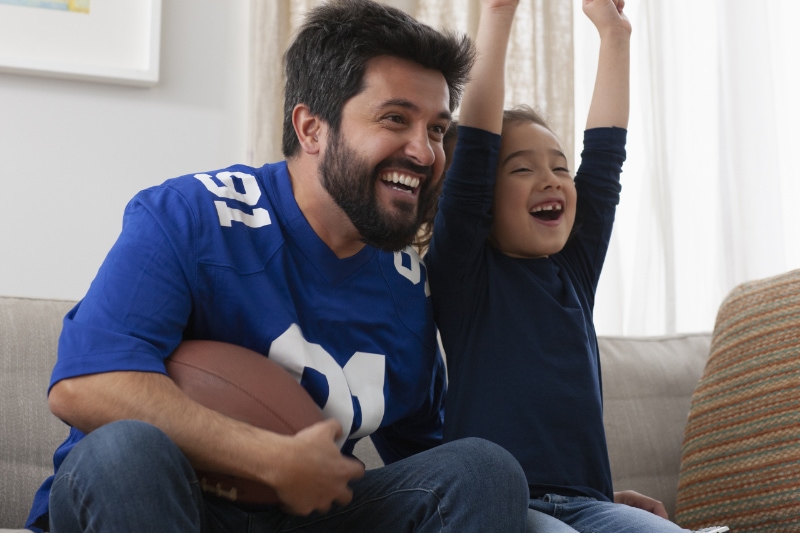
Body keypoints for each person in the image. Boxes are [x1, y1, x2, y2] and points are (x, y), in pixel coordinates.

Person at [26, 1, 531, 531]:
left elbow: (429, 456)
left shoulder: (404, 284)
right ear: (311, 128)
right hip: (159, 502)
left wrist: (572, 497)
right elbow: (85, 384)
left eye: (435, 129)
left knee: (483, 469)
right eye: (395, 119)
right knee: (124, 450)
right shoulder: (191, 215)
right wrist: (268, 457)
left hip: (302, 518)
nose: (426, 153)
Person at [427, 1, 691, 531]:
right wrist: (498, 13)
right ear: (479, 202)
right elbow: (475, 149)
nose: (552, 179)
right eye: (522, 169)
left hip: (594, 505)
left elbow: (606, 157)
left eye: (559, 167)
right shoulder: (464, 278)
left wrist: (614, 35)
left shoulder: (572, 272)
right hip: (501, 510)